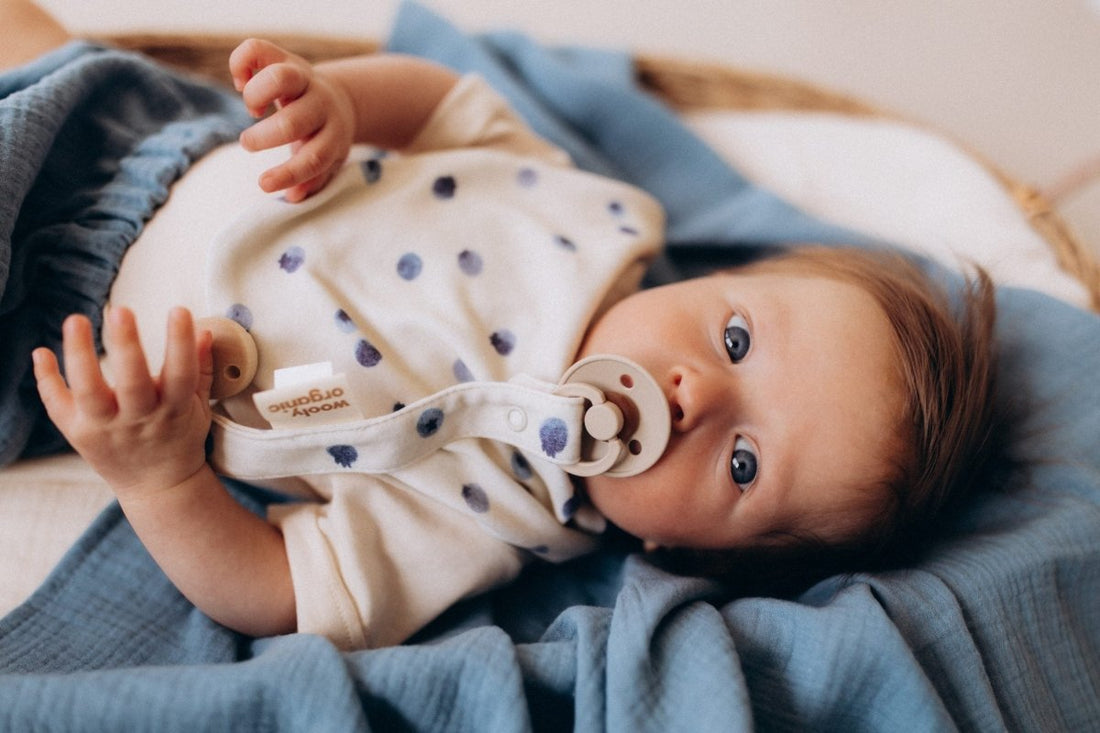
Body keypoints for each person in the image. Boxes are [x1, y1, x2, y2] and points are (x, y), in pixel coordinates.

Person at [9, 6, 997, 649]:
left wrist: (160, 477)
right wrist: (342, 105)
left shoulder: (491, 519)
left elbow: (281, 592)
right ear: (721, 280)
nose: (697, 393)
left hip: (58, 321)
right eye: (735, 340)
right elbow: (449, 107)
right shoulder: (595, 220)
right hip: (150, 137)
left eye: (743, 464)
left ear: (688, 551)